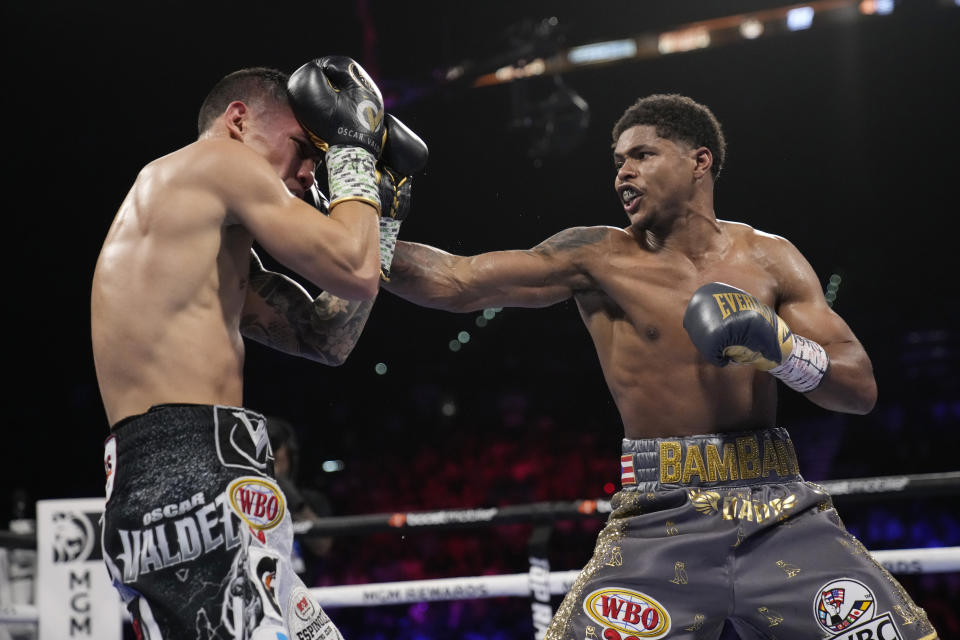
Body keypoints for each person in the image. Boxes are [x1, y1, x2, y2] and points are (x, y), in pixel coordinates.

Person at [382, 94, 938, 639]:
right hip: (658, 516)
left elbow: (858, 387)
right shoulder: (597, 256)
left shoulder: (772, 257)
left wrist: (783, 350)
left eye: (642, 155)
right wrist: (363, 234)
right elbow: (458, 282)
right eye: (617, 161)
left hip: (779, 509)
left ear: (700, 161)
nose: (623, 173)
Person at [91, 56, 425, 639]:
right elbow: (352, 265)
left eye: (320, 160)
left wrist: (384, 218)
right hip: (192, 478)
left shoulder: (195, 238)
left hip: (175, 479)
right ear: (239, 120)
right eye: (302, 147)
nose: (308, 175)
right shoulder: (219, 161)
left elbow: (327, 337)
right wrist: (353, 152)